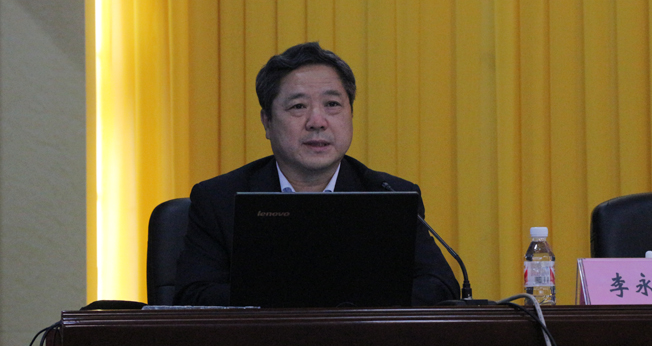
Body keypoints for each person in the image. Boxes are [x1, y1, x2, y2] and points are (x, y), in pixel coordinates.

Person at [173, 42, 459, 306]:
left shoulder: (389, 194)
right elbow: (193, 296)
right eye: (298, 106)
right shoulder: (219, 199)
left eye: (332, 105)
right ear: (267, 122)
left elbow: (440, 287)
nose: (317, 122)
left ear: (350, 114)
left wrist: (343, 304)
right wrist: (307, 297)